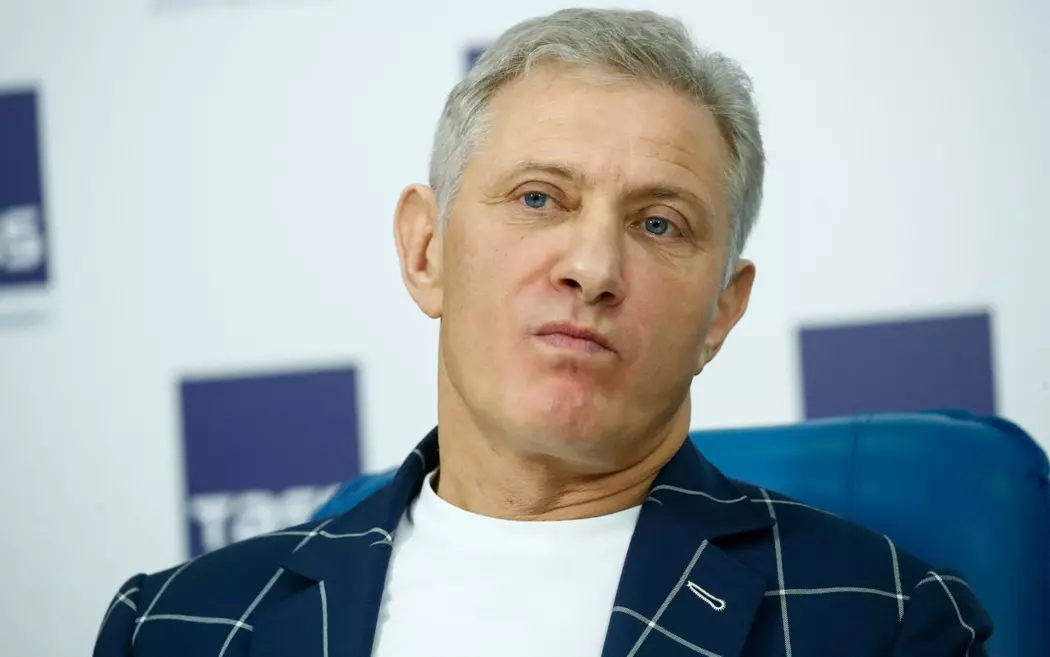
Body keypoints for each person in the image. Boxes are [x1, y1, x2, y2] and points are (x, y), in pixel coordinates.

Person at [94, 8, 991, 657]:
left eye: (659, 222)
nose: (592, 267)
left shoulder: (885, 621)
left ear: (722, 307)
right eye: (538, 198)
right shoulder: (176, 627)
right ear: (426, 249)